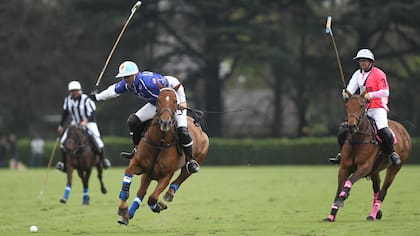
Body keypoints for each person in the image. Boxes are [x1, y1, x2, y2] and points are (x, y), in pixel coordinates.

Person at [90, 61, 200, 174]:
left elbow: (174, 81)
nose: (125, 79)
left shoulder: (149, 82)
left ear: (135, 74)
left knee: (183, 131)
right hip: (156, 105)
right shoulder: (127, 84)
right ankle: (136, 149)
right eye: (123, 77)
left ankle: (190, 161)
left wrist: (183, 101)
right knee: (133, 121)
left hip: (172, 104)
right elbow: (113, 90)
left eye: (127, 77)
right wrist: (97, 97)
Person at [328, 49, 401, 165]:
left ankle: (392, 153)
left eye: (365, 61)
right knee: (344, 128)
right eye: (360, 61)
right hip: (362, 108)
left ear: (371, 62)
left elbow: (385, 92)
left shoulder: (379, 74)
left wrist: (371, 95)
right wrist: (346, 93)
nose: (362, 63)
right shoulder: (357, 74)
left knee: (383, 129)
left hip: (378, 108)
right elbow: (351, 89)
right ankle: (342, 153)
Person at [56, 81, 111, 172]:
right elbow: (65, 113)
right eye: (72, 91)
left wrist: (86, 121)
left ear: (79, 90)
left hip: (89, 123)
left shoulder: (86, 100)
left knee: (98, 141)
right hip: (75, 123)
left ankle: (103, 160)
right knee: (63, 142)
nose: (74, 92)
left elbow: (93, 112)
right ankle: (63, 163)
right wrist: (61, 125)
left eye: (76, 90)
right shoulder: (67, 100)